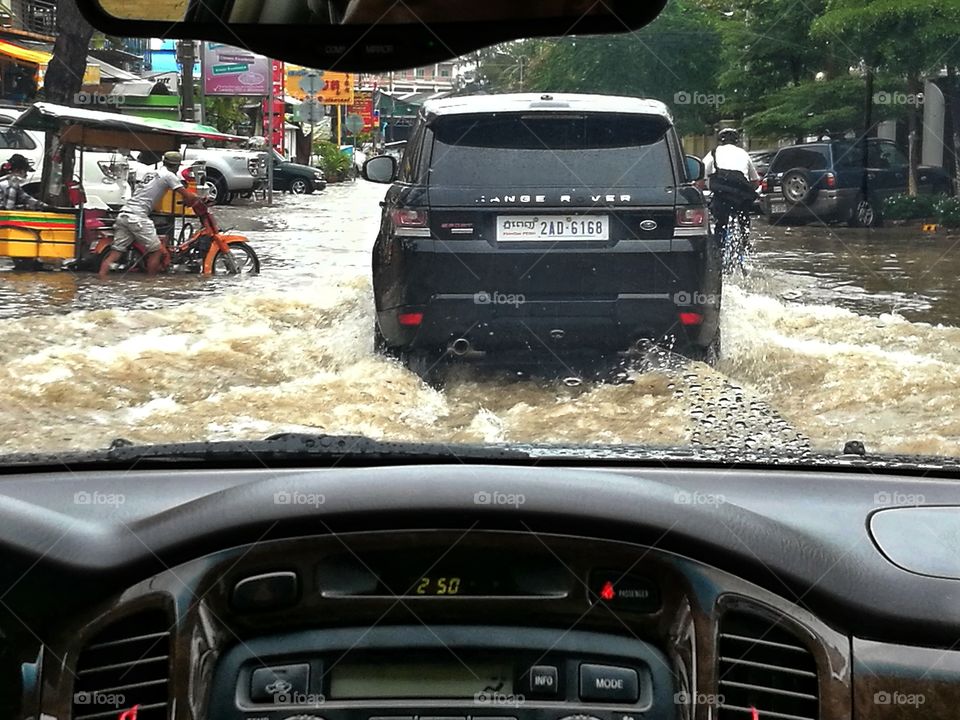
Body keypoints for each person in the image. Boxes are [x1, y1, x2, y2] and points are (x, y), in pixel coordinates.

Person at [99, 151, 206, 279]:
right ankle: (151, 283)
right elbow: (186, 194)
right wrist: (200, 198)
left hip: (125, 213)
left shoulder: (152, 173)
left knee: (115, 252)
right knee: (156, 251)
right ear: (177, 166)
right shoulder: (169, 175)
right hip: (137, 216)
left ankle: (102, 279)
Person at [702, 129, 760, 268]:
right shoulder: (743, 154)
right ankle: (745, 244)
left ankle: (718, 254)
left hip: (721, 196)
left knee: (720, 225)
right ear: (736, 141)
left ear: (720, 140)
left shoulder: (713, 153)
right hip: (741, 198)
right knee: (744, 222)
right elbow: (755, 181)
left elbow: (701, 174)